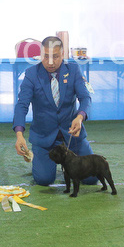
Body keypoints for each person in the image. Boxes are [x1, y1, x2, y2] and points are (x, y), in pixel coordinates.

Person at [13, 36, 96, 187]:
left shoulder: (74, 70)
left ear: (63, 54)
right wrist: (19, 134)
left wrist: (80, 117)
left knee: (91, 178)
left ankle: (68, 164)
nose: (50, 62)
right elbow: (22, 105)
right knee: (44, 180)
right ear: (40, 54)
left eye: (55, 57)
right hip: (44, 138)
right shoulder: (31, 74)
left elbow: (85, 98)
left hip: (71, 136)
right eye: (46, 57)